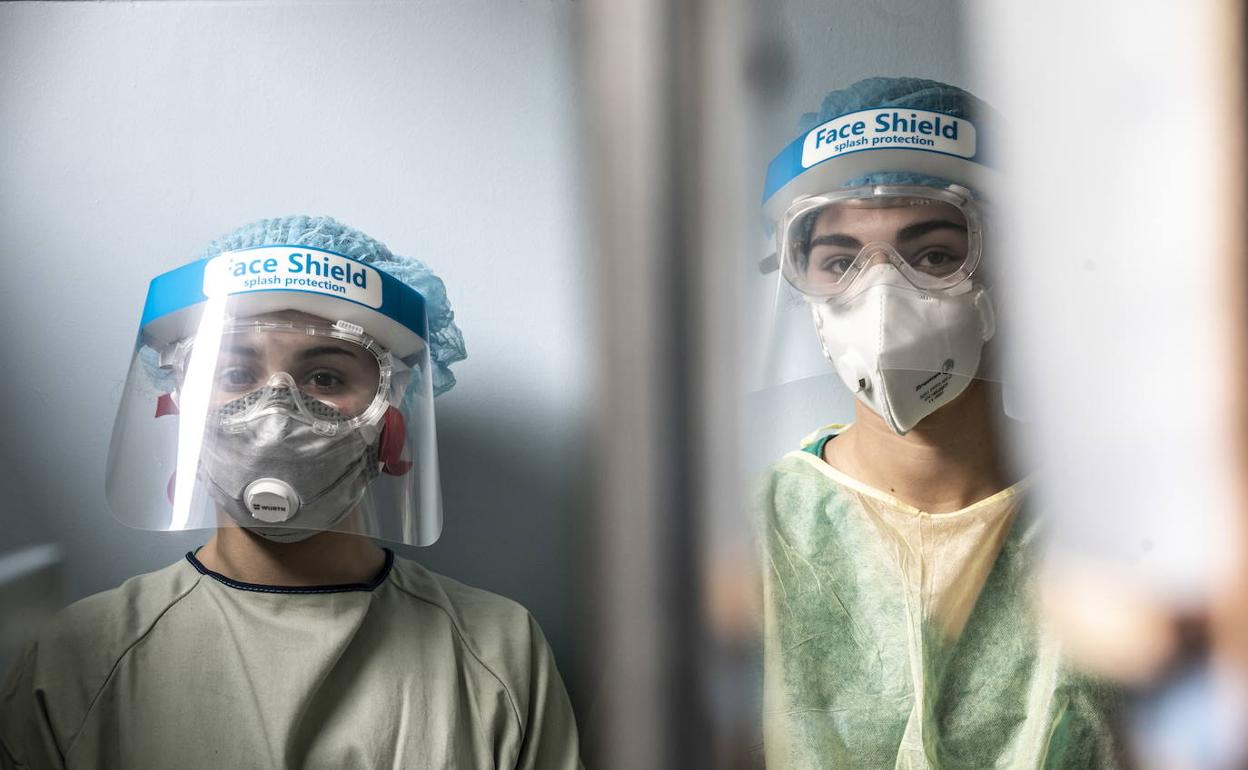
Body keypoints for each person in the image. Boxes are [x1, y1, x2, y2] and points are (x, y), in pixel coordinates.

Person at [0, 216, 583, 770]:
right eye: (235, 374)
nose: (277, 411)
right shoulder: (79, 658)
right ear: (181, 401)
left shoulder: (496, 652)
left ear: (389, 414)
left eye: (325, 377)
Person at [757, 78, 1126, 768]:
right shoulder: (754, 537)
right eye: (840, 261)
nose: (881, 295)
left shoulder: (1121, 533)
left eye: (933, 255)